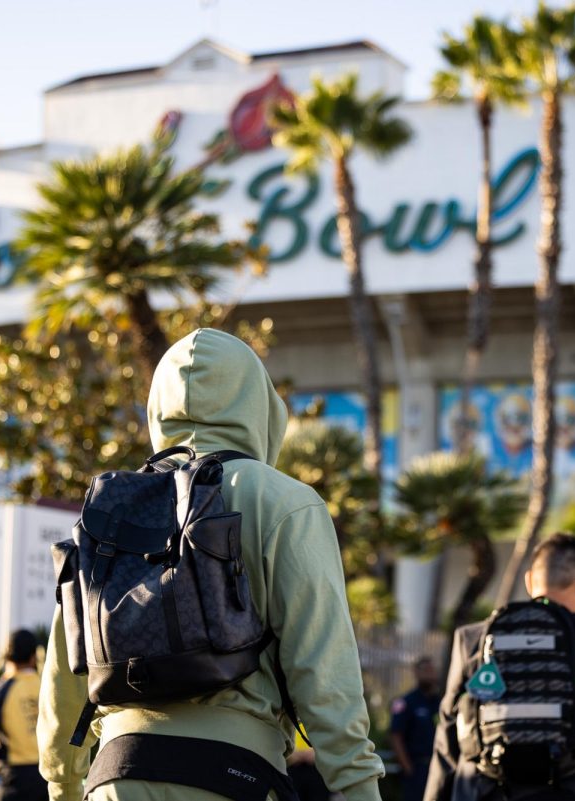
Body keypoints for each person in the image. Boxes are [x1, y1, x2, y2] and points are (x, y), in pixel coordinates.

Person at [38, 329, 384, 801]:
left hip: (114, 775)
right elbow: (323, 667)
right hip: (234, 775)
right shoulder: (283, 503)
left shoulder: (113, 507)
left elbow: (66, 664)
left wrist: (63, 783)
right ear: (258, 403)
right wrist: (358, 787)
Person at [425, 532, 575, 801]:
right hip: (570, 787)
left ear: (530, 581)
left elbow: (448, 729)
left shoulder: (474, 637)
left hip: (487, 788)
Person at [0, 629, 49, 801]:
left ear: (6, 657)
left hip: (15, 779)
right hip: (47, 778)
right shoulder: (48, 687)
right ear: (33, 657)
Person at [390, 657, 440, 801]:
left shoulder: (440, 702)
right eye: (425, 670)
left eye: (432, 670)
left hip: (438, 767)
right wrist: (408, 769)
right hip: (417, 769)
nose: (429, 674)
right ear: (416, 673)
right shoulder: (406, 702)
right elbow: (395, 736)